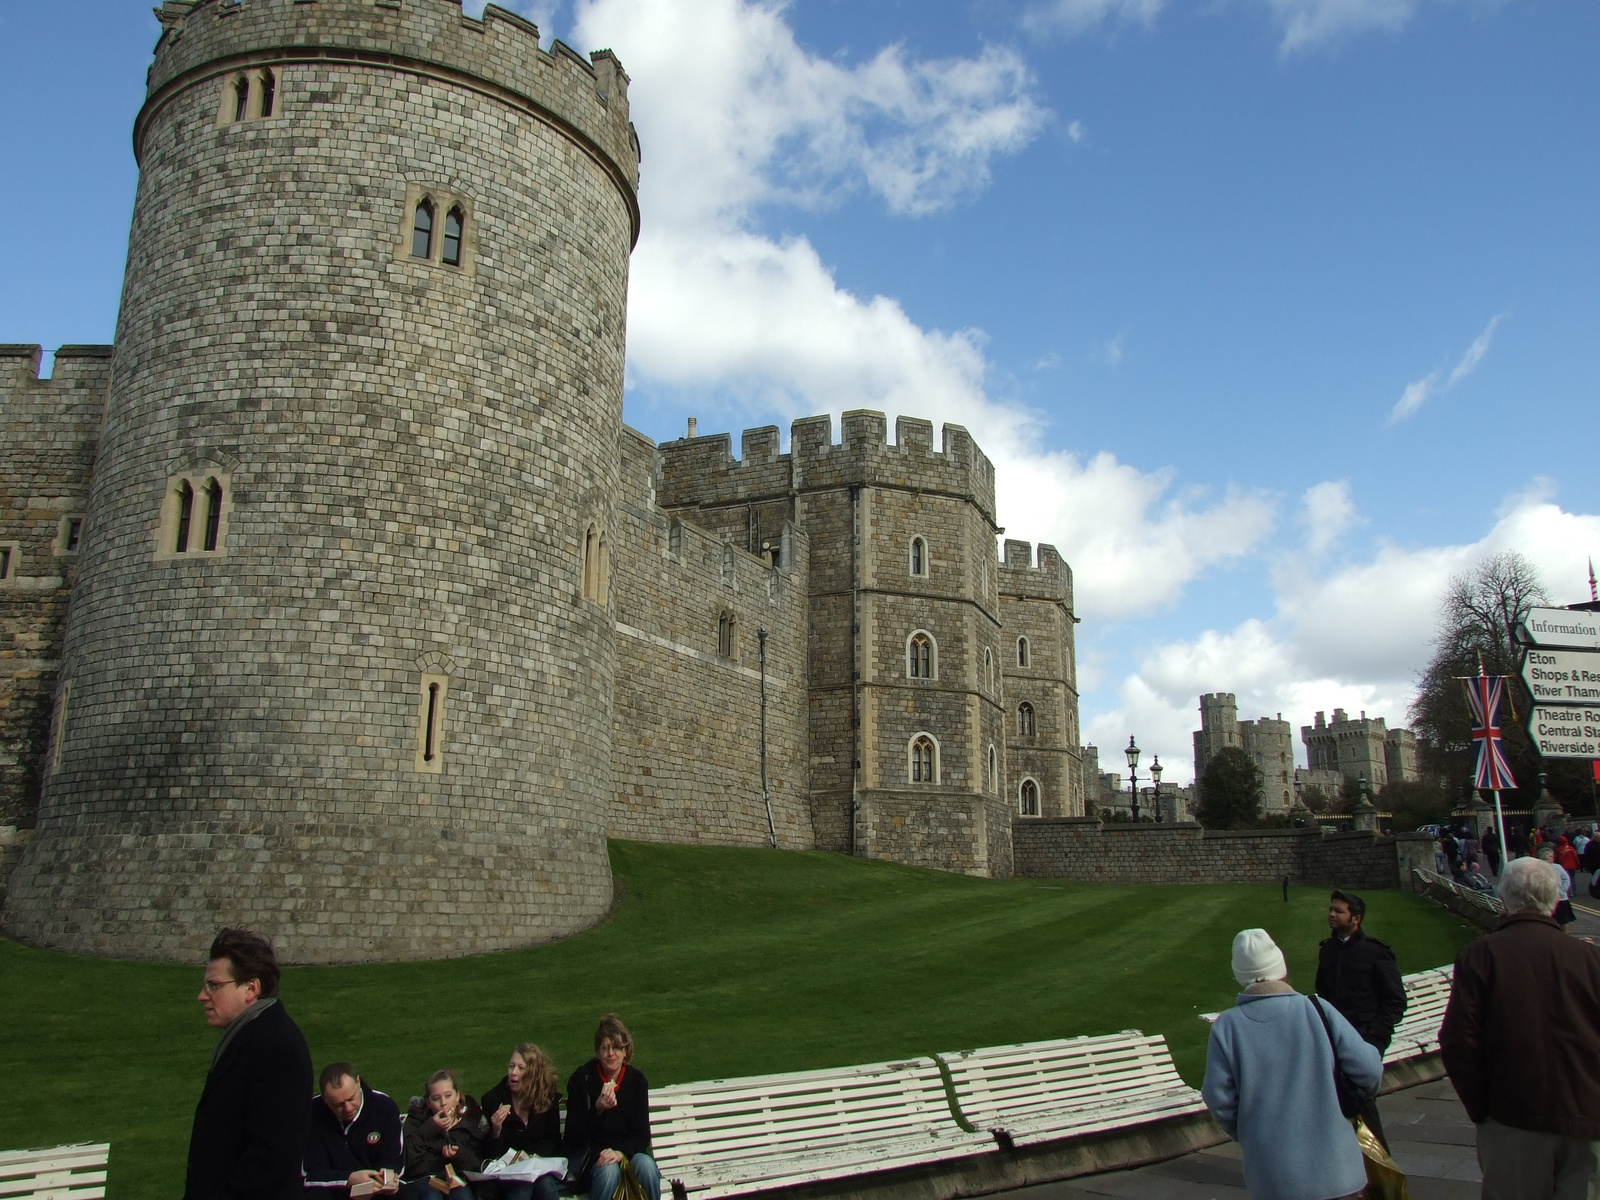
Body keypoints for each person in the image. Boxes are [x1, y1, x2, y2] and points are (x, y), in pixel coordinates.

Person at [1440, 856, 1600, 1200]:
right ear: (1556, 901)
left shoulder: (1479, 955)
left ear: (1503, 900)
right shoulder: (1590, 959)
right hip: (1586, 1118)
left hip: (1512, 1118)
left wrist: (1481, 1108)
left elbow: (1458, 1041)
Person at [1203, 928, 1384, 1200]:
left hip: (1272, 1175)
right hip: (1337, 1168)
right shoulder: (1316, 1009)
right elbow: (1369, 1069)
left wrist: (1248, 1131)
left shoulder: (1228, 1026)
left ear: (1240, 974)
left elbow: (1218, 1098)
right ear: (1280, 966)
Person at [186, 927, 314, 1200]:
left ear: (251, 988)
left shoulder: (276, 1047)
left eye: (214, 985)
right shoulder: (250, 1037)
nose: (203, 995)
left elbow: (269, 1159)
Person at [565, 1015, 660, 1200]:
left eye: (616, 1048)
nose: (611, 1054)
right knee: (608, 1172)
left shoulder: (637, 1082)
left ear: (625, 1051)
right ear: (598, 1052)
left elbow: (641, 1137)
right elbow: (573, 1136)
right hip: (593, 1156)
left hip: (627, 1151)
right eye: (605, 1048)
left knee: (647, 1167)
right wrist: (598, 1109)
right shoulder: (582, 1080)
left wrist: (620, 1153)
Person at [304, 1062, 403, 1198]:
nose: (348, 1108)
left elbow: (392, 1160)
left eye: (351, 1099)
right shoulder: (312, 1113)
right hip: (334, 1190)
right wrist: (349, 1179)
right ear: (325, 1099)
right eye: (338, 1104)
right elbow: (313, 1174)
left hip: (378, 1190)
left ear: (358, 1082)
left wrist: (388, 1179)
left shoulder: (385, 1107)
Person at [480, 1045, 564, 1200]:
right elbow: (490, 1155)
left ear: (533, 1073)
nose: (513, 1072)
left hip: (538, 1166)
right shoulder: (493, 1100)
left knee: (547, 1187)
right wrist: (496, 1130)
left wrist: (539, 1156)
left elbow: (552, 1140)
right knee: (521, 1191)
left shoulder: (547, 1099)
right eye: (511, 1066)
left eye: (520, 1068)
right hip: (509, 1171)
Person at [402, 1070, 487, 1200]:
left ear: (457, 1096)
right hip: (424, 1179)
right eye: (436, 1099)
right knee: (432, 1196)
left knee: (463, 1196)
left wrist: (459, 1155)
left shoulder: (472, 1121)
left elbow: (478, 1165)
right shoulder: (416, 1120)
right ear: (428, 1102)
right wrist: (431, 1128)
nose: (443, 1103)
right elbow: (407, 1159)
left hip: (457, 1179)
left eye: (448, 1096)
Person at [1536, 844, 1577, 929]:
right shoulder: (1537, 868)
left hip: (1561, 899)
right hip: (1546, 899)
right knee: (1548, 921)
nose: (1552, 858)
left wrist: (1563, 889)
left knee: (1564, 921)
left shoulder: (1557, 867)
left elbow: (1566, 878)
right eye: (1550, 857)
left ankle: (1564, 939)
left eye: (1551, 856)